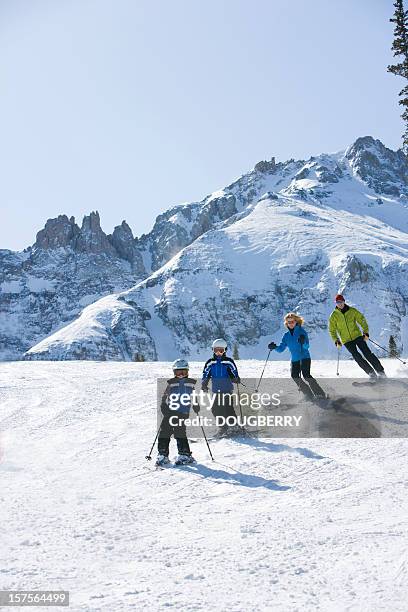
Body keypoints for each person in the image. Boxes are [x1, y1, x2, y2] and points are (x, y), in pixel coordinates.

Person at [268, 312, 326, 399]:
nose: (290, 324)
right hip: (295, 360)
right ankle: (308, 395)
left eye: (292, 321)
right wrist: (274, 347)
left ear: (296, 321)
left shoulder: (301, 332)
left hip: (304, 357)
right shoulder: (286, 336)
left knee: (306, 376)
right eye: (288, 322)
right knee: (295, 376)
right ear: (286, 323)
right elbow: (281, 349)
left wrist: (303, 342)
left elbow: (307, 346)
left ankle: (320, 394)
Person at [329, 294, 386, 378]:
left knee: (367, 353)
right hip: (346, 340)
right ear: (336, 303)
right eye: (337, 302)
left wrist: (365, 332)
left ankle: (381, 372)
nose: (339, 304)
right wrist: (336, 340)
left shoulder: (352, 311)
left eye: (341, 302)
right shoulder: (333, 315)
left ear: (344, 301)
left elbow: (362, 320)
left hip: (357, 336)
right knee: (357, 357)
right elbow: (332, 330)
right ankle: (371, 373)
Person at [156, 358, 198, 466]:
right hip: (170, 412)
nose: (181, 375)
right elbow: (165, 396)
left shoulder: (191, 383)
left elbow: (194, 396)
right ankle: (163, 454)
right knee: (164, 432)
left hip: (182, 413)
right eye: (178, 372)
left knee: (179, 432)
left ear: (187, 372)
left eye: (183, 372)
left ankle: (185, 454)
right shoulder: (171, 383)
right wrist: (163, 405)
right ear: (174, 372)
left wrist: (196, 404)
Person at [202, 338, 240, 435]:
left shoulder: (228, 361)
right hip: (216, 390)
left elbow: (234, 371)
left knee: (228, 408)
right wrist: (204, 384)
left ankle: (234, 426)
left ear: (225, 350)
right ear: (213, 350)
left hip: (227, 389)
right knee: (215, 409)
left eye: (221, 350)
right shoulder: (210, 362)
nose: (218, 353)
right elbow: (206, 374)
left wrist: (235, 378)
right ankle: (223, 427)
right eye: (216, 350)